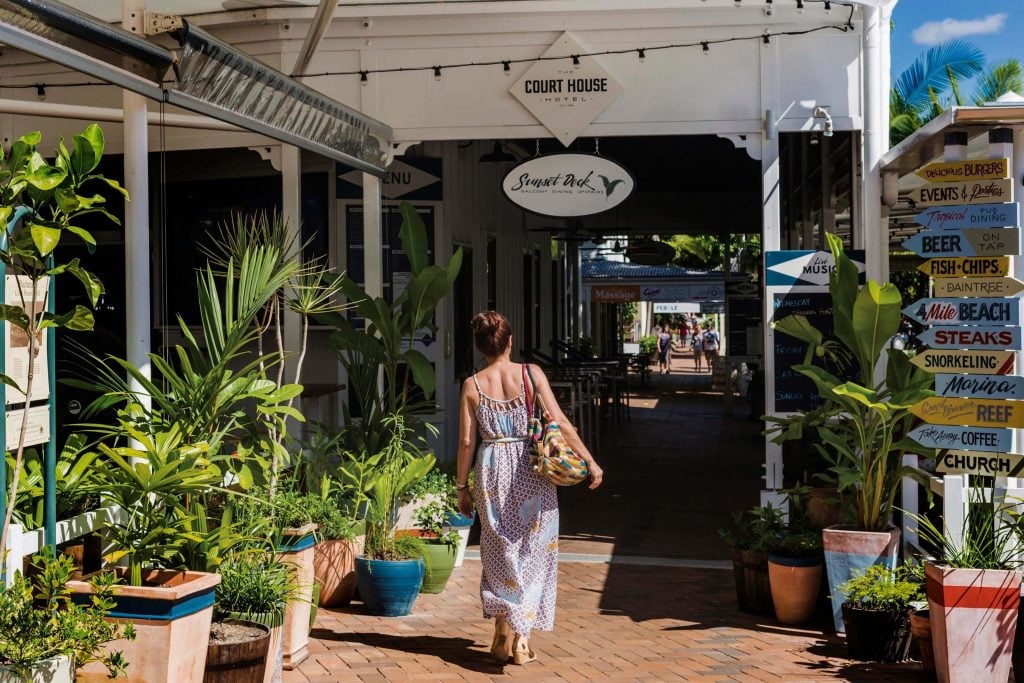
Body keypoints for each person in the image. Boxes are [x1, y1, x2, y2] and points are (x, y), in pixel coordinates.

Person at [456, 311, 603, 666]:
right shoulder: (530, 374)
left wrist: (462, 486)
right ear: (510, 341)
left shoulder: (472, 385)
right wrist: (590, 462)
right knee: (534, 552)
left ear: (480, 347)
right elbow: (561, 422)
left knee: (499, 548)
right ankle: (521, 640)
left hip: (491, 468)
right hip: (529, 468)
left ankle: (502, 629)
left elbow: (465, 441)